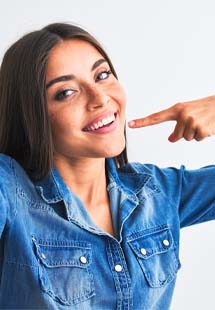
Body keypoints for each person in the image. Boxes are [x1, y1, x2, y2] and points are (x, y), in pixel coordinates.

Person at [0, 22, 214, 310]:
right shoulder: (10, 190)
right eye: (66, 92)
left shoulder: (157, 192)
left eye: (102, 75)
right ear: (30, 116)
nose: (100, 98)